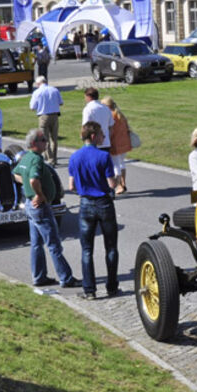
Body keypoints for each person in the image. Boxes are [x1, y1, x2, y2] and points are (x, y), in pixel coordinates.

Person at [13, 129, 79, 290]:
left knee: (36, 243)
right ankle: (66, 278)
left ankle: (39, 277)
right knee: (54, 243)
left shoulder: (25, 157)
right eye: (43, 140)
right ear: (34, 143)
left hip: (30, 205)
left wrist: (28, 189)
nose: (46, 143)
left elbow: (15, 174)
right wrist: (39, 194)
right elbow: (34, 179)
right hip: (40, 207)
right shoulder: (35, 160)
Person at [67, 121, 120, 300]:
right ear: (93, 136)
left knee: (87, 249)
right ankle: (112, 286)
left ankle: (90, 289)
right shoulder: (103, 156)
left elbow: (71, 185)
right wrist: (117, 181)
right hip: (104, 203)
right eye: (101, 135)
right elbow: (111, 183)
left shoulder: (75, 157)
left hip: (86, 204)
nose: (103, 138)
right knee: (111, 247)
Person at [99, 96, 131, 195]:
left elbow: (111, 132)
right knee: (121, 164)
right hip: (124, 143)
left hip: (115, 144)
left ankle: (117, 186)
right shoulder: (120, 114)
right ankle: (123, 184)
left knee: (115, 165)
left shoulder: (111, 116)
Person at [30, 76, 63, 164]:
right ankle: (54, 158)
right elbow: (61, 102)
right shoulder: (54, 90)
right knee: (54, 138)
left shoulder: (37, 92)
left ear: (38, 84)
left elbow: (32, 107)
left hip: (43, 116)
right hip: (55, 115)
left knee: (44, 138)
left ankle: (50, 158)